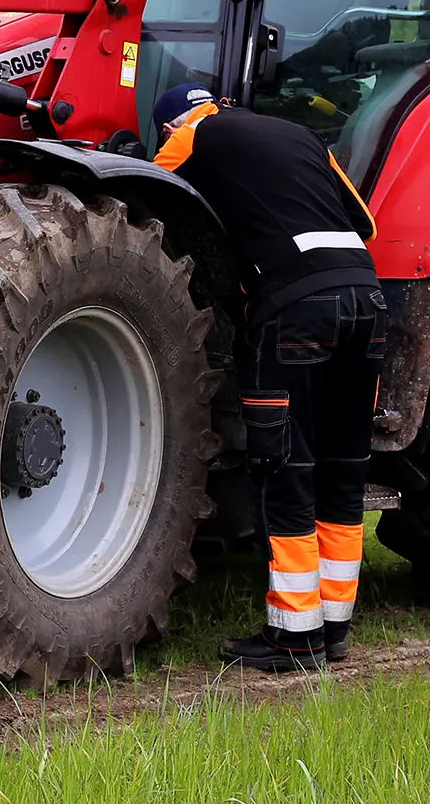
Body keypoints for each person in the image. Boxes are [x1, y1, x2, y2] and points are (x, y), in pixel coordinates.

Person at [152, 82, 387, 672]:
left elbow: (151, 203)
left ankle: (294, 637)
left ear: (170, 123)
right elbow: (366, 223)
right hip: (367, 302)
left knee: (287, 467)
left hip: (296, 314)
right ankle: (332, 630)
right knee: (341, 471)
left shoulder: (188, 137)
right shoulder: (301, 134)